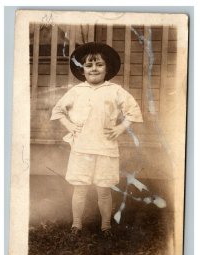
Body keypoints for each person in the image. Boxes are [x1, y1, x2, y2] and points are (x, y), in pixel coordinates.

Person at [50, 42, 143, 238]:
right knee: (80, 188)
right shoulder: (77, 91)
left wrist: (120, 127)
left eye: (99, 64)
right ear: (82, 70)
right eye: (89, 65)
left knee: (104, 190)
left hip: (106, 148)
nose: (94, 68)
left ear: (107, 67)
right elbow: (58, 111)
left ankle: (106, 226)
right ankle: (76, 224)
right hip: (82, 148)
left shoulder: (115, 90)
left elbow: (133, 110)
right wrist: (70, 126)